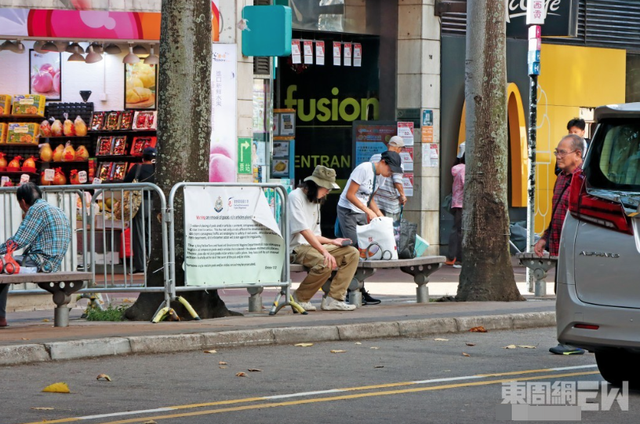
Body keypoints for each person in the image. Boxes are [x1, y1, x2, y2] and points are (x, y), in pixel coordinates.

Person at [534, 134, 585, 355]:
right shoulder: (562, 178)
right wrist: (545, 237)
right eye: (557, 152)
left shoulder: (585, 179)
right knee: (562, 292)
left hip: (577, 248)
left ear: (578, 154)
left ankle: (574, 341)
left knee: (573, 293)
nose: (558, 156)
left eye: (562, 152)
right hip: (559, 247)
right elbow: (557, 213)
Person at [0, 182, 71, 327]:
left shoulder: (36, 210)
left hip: (39, 264)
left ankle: (0, 317)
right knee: (4, 268)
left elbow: (18, 241)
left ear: (23, 201)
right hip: (52, 264)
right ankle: (0, 317)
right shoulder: (56, 209)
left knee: (3, 266)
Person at [336, 150, 403, 305]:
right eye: (390, 169)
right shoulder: (364, 169)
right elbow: (350, 195)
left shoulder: (381, 178)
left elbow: (370, 198)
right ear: (383, 162)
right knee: (353, 248)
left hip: (360, 211)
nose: (390, 173)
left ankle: (360, 289)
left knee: (364, 250)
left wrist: (379, 215)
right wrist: (369, 211)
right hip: (348, 211)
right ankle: (348, 290)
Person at [290, 165, 358, 311]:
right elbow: (304, 231)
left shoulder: (315, 200)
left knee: (351, 253)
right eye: (326, 188)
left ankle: (334, 298)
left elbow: (315, 234)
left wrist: (332, 242)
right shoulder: (295, 197)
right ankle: (300, 298)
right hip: (296, 247)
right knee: (324, 261)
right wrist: (324, 251)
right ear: (315, 185)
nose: (328, 191)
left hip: (311, 245)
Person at [123, 147, 156, 274]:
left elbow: (125, 182)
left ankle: (141, 266)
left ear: (143, 158)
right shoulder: (157, 170)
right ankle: (152, 263)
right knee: (151, 235)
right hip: (154, 204)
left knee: (139, 235)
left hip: (139, 204)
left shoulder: (137, 168)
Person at [369, 136, 407, 223]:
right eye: (401, 150)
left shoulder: (374, 157)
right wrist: (402, 195)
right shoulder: (397, 161)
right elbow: (397, 180)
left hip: (375, 201)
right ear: (398, 149)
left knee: (376, 227)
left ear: (387, 145)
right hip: (390, 204)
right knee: (391, 229)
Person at [445, 143, 465, 269]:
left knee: (457, 230)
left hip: (456, 203)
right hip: (464, 204)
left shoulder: (456, 168)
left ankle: (452, 257)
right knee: (461, 231)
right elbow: (466, 184)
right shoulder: (464, 169)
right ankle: (459, 259)